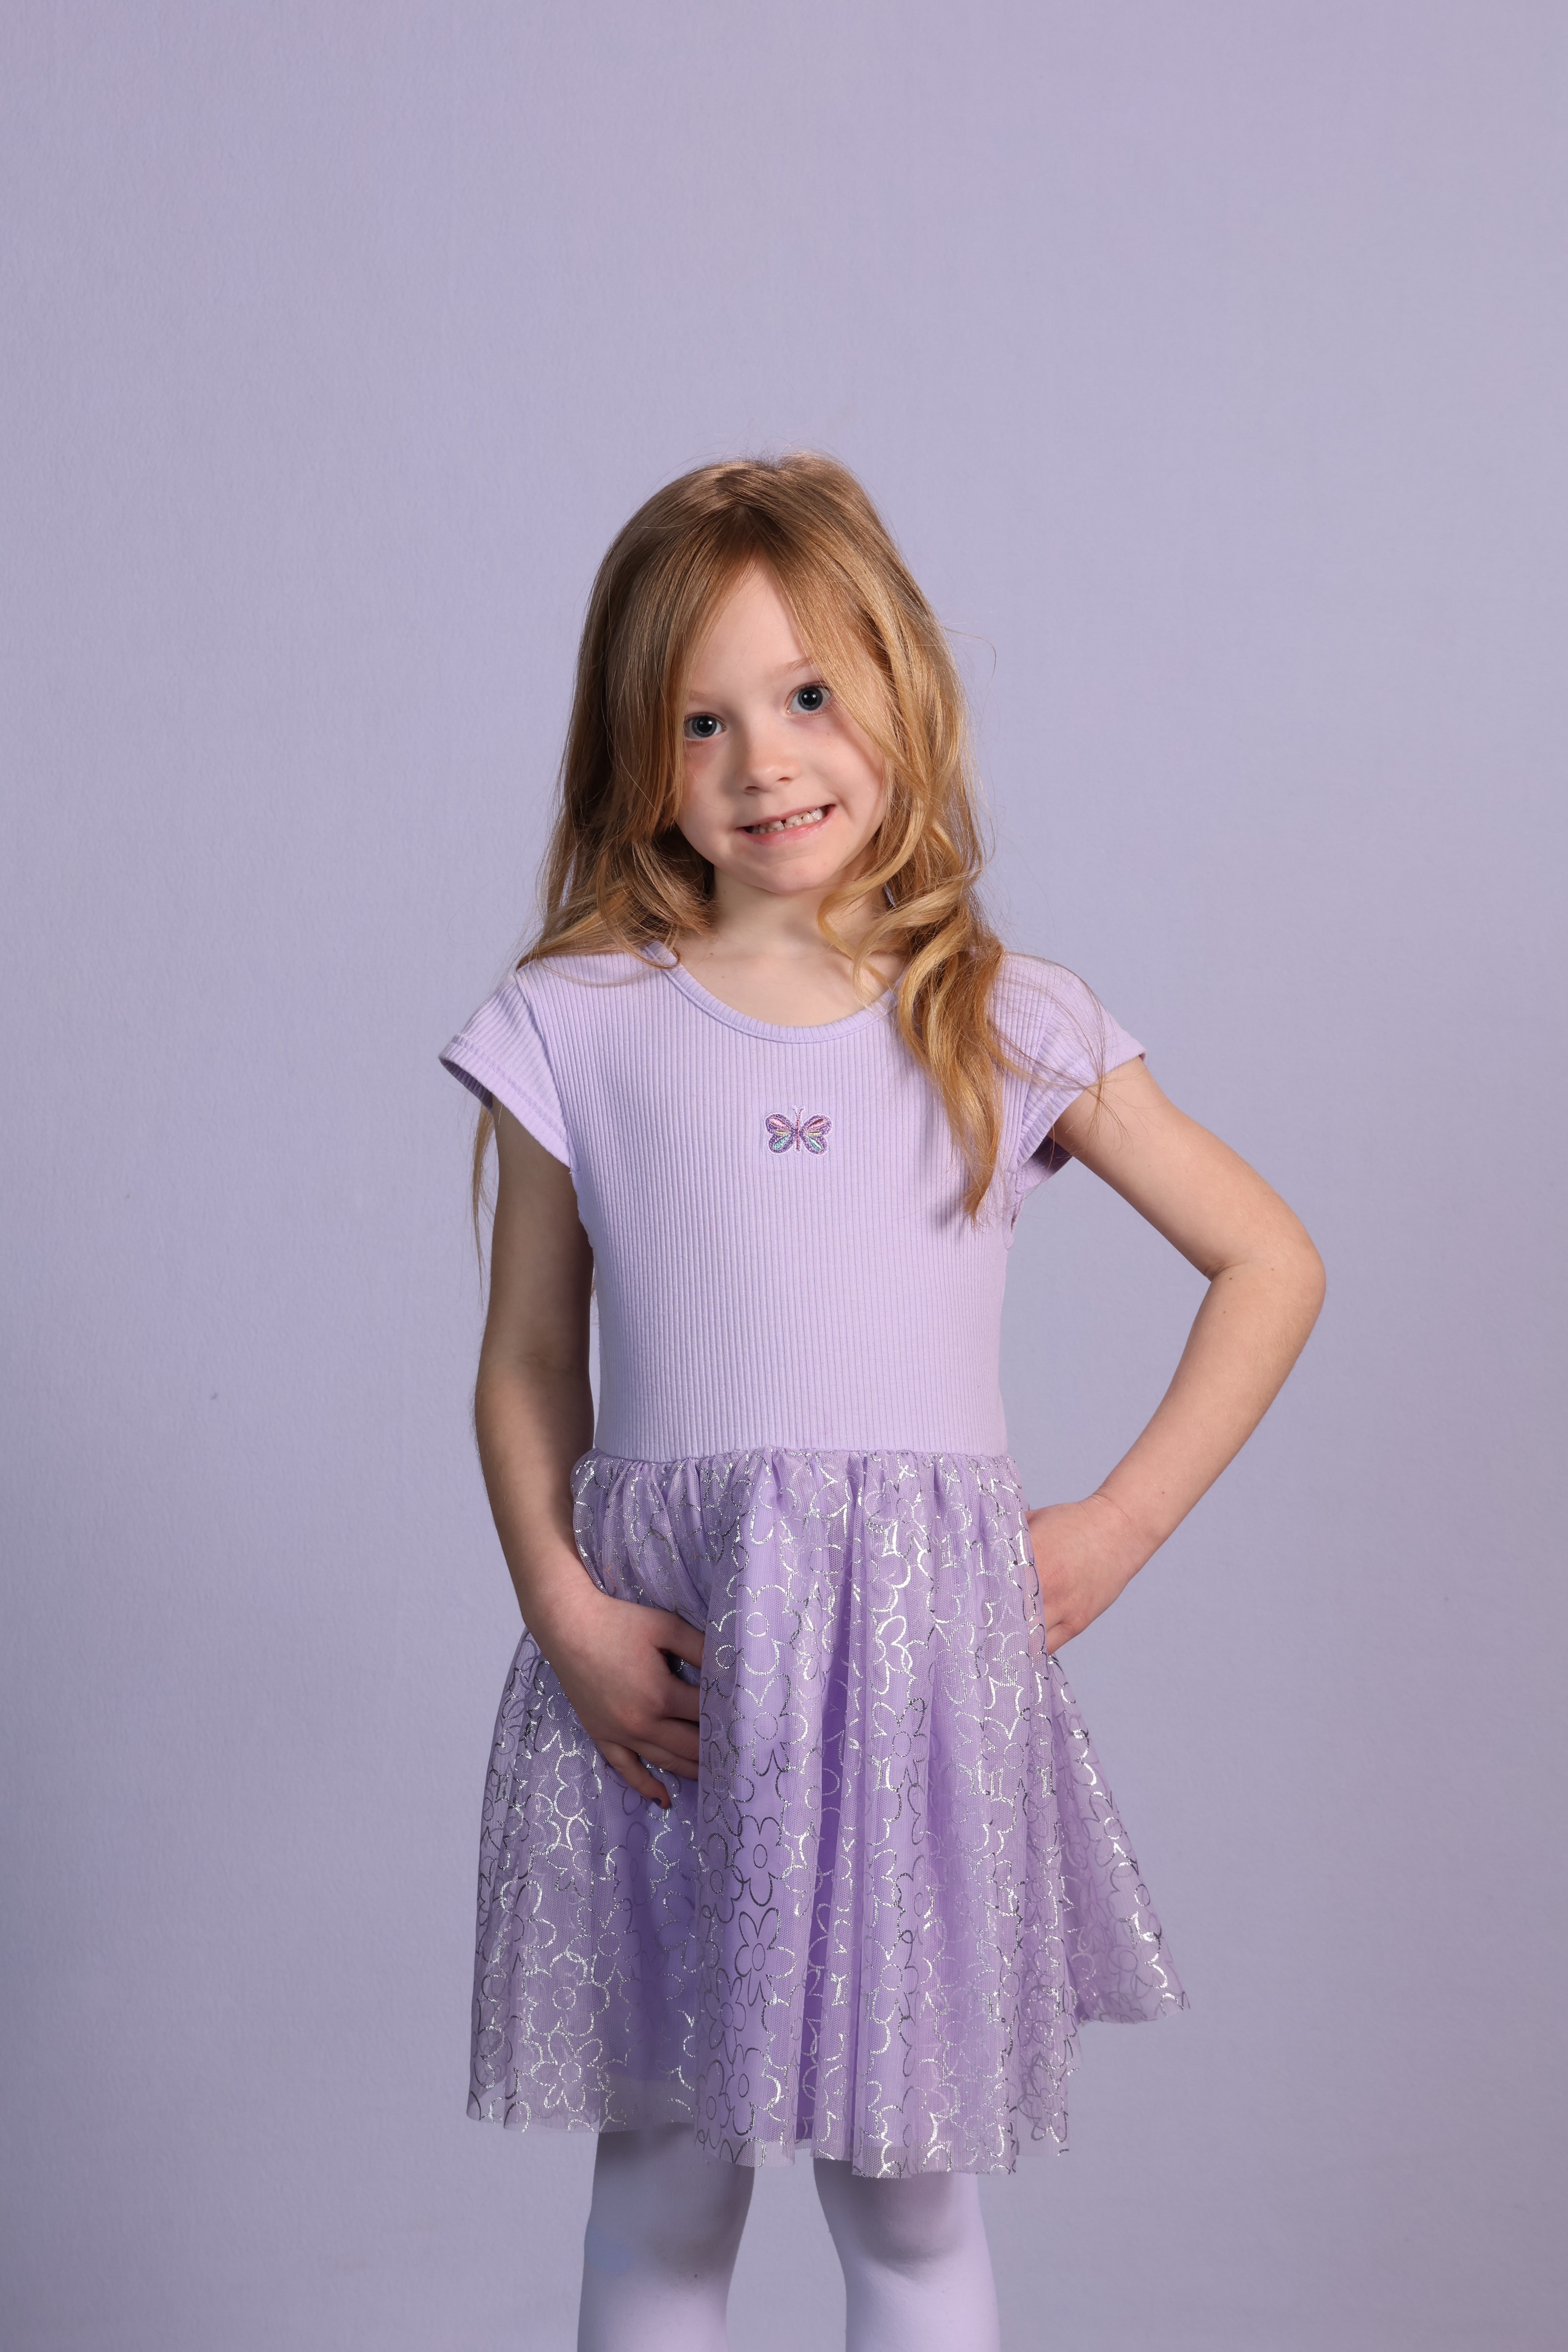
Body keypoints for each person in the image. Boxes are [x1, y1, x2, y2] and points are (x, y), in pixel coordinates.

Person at [439, 453, 1324, 2352]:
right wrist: (564, 1610)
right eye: (703, 720)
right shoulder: (578, 1020)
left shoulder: (1004, 1016)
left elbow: (1270, 1261)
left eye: (807, 695)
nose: (764, 761)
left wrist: (1115, 1528)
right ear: (636, 752)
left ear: (901, 692)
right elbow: (524, 1361)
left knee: (909, 2199)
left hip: (904, 1671)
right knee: (662, 2186)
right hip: (672, 1668)